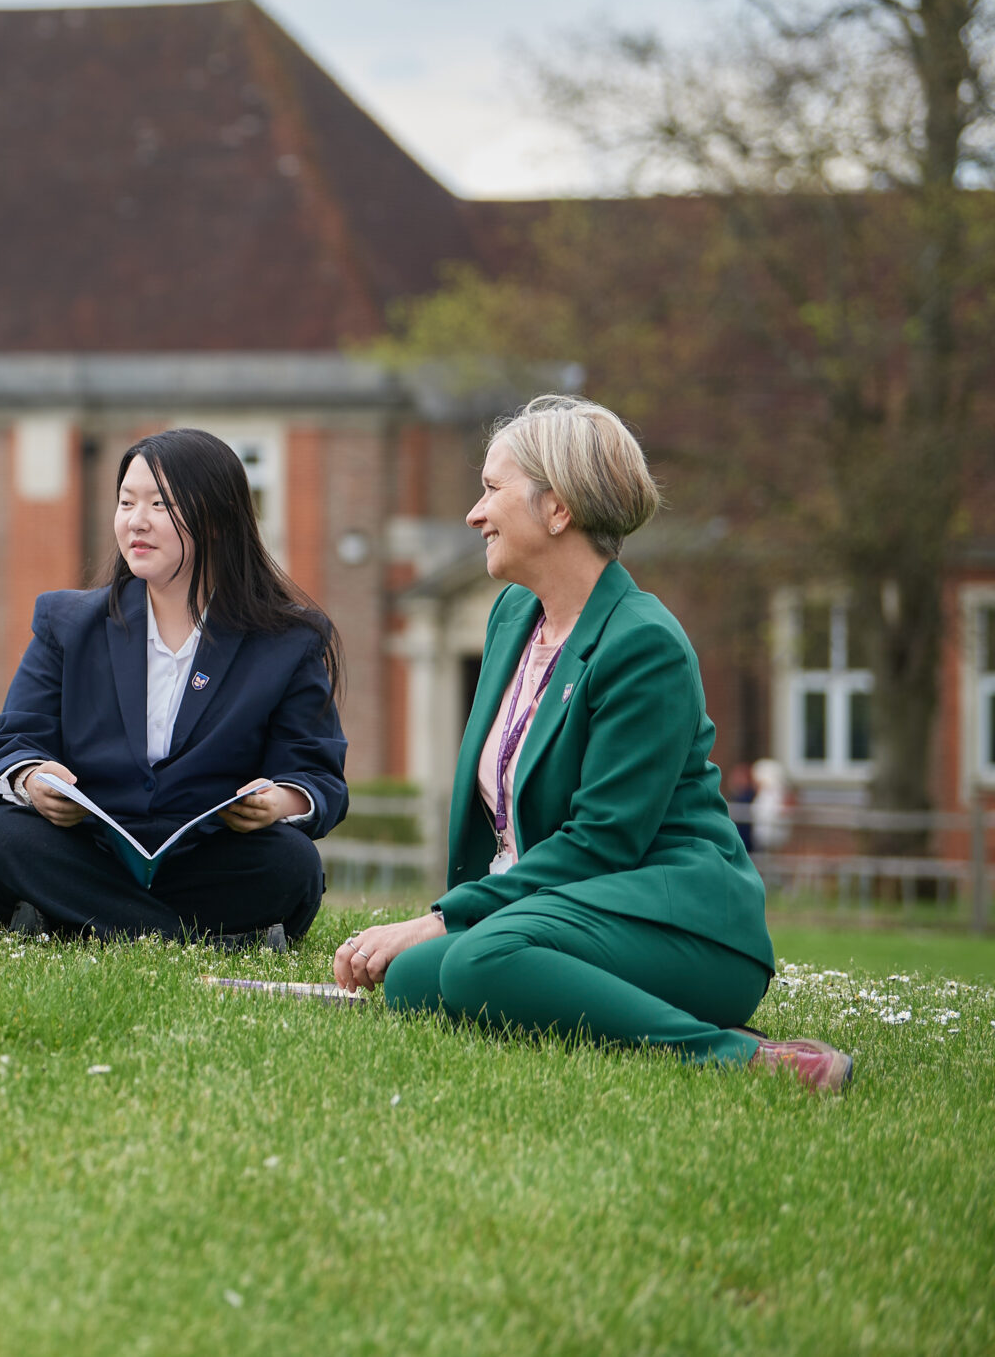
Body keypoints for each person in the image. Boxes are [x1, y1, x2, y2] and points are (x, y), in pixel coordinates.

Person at [332, 395, 850, 1090]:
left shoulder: (644, 643)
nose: (473, 513)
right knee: (418, 981)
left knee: (473, 961)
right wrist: (442, 929)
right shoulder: (514, 615)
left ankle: (756, 1060)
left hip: (682, 922)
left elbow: (602, 841)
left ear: (558, 509)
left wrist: (442, 918)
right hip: (563, 910)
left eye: (491, 490)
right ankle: (640, 1014)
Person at [0, 428, 346, 945]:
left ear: (216, 522)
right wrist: (34, 780)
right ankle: (198, 936)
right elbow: (10, 746)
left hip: (211, 857)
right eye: (126, 503)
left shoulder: (287, 640)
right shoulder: (66, 622)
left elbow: (317, 773)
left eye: (160, 505)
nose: (136, 522)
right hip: (91, 849)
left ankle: (80, 922)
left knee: (292, 864)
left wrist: (280, 800)